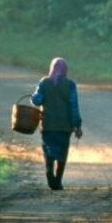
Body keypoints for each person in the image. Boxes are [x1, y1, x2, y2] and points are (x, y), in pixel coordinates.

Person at [31, 57, 83, 190]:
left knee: (48, 150)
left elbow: (37, 100)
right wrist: (77, 124)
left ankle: (49, 173)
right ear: (65, 70)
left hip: (47, 125)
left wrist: (35, 97)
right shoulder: (70, 85)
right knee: (62, 152)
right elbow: (73, 106)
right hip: (64, 127)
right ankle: (58, 181)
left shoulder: (44, 82)